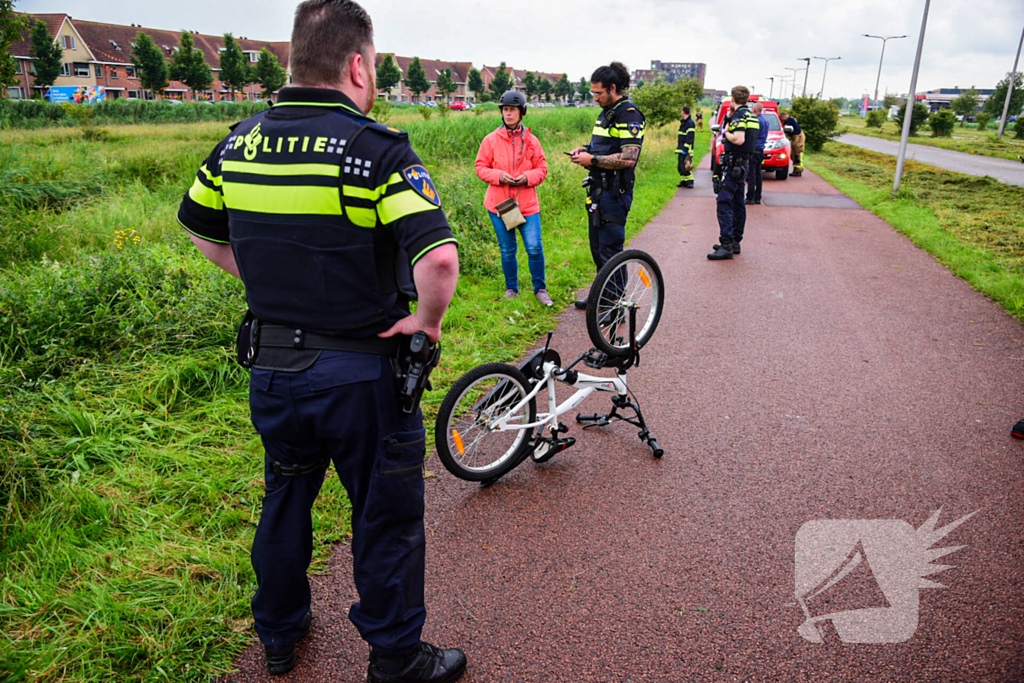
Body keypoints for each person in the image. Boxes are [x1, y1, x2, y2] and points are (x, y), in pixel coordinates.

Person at [176, 2, 466, 681]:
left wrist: (264, 279)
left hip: (273, 367)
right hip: (362, 375)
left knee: (286, 494)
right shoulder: (374, 149)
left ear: (294, 61)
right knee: (383, 512)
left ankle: (278, 632)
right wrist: (426, 322)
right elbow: (440, 258)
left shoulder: (238, 142)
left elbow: (199, 226)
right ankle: (395, 657)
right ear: (357, 63)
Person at [569, 61, 646, 309]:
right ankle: (601, 296)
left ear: (613, 88)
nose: (595, 98)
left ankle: (614, 305)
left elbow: (629, 157)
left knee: (611, 250)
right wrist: (586, 149)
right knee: (598, 247)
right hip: (598, 189)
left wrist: (592, 160)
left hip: (615, 192)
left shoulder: (629, 114)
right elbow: (607, 146)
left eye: (598, 93)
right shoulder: (607, 112)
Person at [475, 91, 552, 306]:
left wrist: (526, 178)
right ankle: (512, 289)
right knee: (508, 250)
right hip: (500, 206)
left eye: (513, 110)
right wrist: (499, 176)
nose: (508, 114)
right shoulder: (490, 140)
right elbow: (480, 167)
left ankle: (540, 289)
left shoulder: (532, 141)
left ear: (522, 112)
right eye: (505, 110)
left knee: (534, 248)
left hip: (527, 205)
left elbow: (542, 169)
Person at [708, 85, 760, 260]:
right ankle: (736, 241)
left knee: (724, 201)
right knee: (738, 203)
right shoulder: (752, 116)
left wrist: (726, 132)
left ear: (733, 99)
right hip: (744, 165)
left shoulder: (738, 116)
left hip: (733, 165)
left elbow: (738, 139)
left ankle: (726, 244)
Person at [745, 101, 769, 204]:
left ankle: (750, 197)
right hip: (761, 149)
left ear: (754, 110)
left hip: (754, 149)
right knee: (758, 174)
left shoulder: (755, 121)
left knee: (751, 174)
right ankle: (758, 196)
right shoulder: (766, 121)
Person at [779, 110, 805, 177]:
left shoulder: (789, 121)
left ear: (784, 116)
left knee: (797, 153)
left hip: (798, 137)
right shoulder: (791, 119)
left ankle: (798, 170)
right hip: (795, 137)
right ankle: (796, 170)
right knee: (793, 154)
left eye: (782, 119)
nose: (782, 120)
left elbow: (787, 128)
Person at [676, 105, 696, 188]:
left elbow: (690, 138)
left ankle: (690, 181)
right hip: (681, 147)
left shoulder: (690, 123)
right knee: (680, 166)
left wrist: (685, 149)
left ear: (683, 112)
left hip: (687, 148)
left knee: (686, 166)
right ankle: (684, 180)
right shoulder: (684, 122)